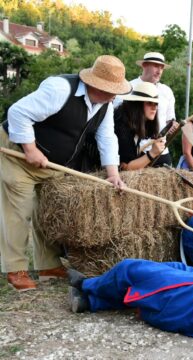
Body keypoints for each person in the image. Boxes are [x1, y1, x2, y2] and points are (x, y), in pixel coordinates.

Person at [0, 55, 130, 291]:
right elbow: (17, 113)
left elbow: (107, 137)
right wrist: (30, 148)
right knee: (19, 211)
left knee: (49, 210)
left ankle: (47, 265)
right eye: (111, 90)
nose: (115, 95)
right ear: (95, 84)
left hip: (54, 164)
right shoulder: (59, 89)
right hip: (17, 154)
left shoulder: (106, 105)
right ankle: (15, 268)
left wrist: (112, 173)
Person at [114, 52, 177, 166]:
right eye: (155, 66)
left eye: (161, 67)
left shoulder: (166, 91)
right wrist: (150, 154)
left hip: (160, 150)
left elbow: (170, 120)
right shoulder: (127, 88)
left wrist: (172, 126)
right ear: (144, 65)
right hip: (136, 151)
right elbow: (126, 167)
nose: (159, 71)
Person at [114, 82, 167, 170]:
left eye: (156, 103)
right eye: (149, 103)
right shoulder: (122, 125)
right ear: (137, 105)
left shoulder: (136, 122)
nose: (154, 108)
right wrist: (152, 153)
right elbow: (126, 168)